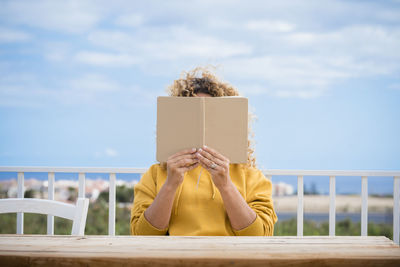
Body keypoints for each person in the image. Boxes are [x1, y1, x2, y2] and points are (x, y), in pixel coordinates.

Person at [130, 67, 277, 236]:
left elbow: (259, 236)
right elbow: (142, 235)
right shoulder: (156, 174)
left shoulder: (251, 176)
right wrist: (170, 185)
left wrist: (225, 185)